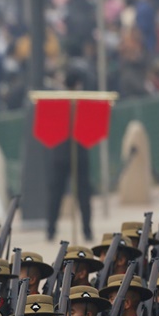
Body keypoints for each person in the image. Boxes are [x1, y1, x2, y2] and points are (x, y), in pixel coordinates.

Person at [44, 72, 94, 242]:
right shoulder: (81, 101)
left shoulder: (58, 101)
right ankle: (87, 230)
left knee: (56, 194)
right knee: (83, 194)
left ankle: (51, 230)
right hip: (77, 152)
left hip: (61, 153)